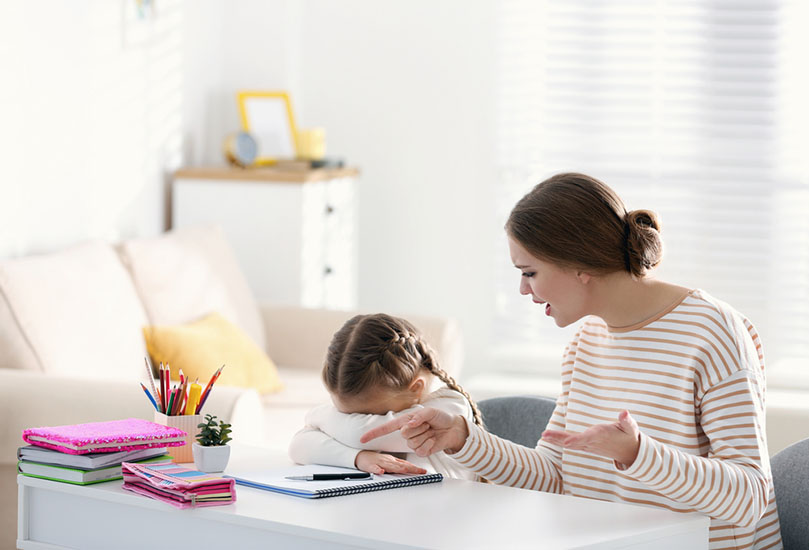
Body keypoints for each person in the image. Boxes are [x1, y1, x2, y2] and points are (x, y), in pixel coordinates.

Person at [362, 173, 782, 550]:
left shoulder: (713, 332)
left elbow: (747, 499)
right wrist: (462, 438)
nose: (523, 290)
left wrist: (637, 454)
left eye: (529, 272)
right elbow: (557, 474)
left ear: (579, 266)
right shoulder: (587, 341)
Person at [288, 313, 482, 480]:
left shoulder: (450, 408)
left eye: (364, 416)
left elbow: (359, 434)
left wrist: (318, 416)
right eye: (346, 414)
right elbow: (299, 446)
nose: (354, 419)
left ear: (416, 388)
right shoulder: (374, 402)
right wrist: (358, 458)